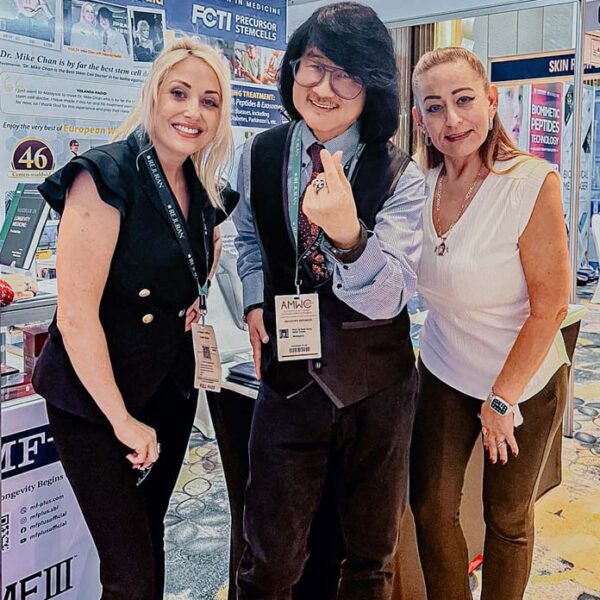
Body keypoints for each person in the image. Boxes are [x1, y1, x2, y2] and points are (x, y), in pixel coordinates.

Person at [232, 3, 427, 598]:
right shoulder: (258, 153)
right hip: (288, 382)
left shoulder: (402, 175)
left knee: (368, 558)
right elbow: (247, 236)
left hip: (378, 389)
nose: (324, 88)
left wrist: (348, 237)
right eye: (314, 67)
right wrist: (253, 302)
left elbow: (394, 293)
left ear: (371, 89)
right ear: (293, 70)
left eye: (347, 74)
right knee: (269, 558)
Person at [33, 39, 237, 600]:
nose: (192, 112)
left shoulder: (202, 186)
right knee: (130, 572)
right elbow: (73, 318)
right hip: (95, 400)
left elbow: (202, 256)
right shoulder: (103, 177)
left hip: (166, 391)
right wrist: (121, 419)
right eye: (179, 93)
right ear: (153, 95)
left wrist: (190, 296)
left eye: (209, 101)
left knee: (150, 543)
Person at [409, 47, 570, 600]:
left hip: (522, 380)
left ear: (491, 100)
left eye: (463, 100)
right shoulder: (418, 185)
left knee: (505, 515)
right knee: (430, 505)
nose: (451, 121)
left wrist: (502, 399)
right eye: (434, 107)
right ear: (418, 119)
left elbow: (550, 305)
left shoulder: (529, 182)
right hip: (445, 367)